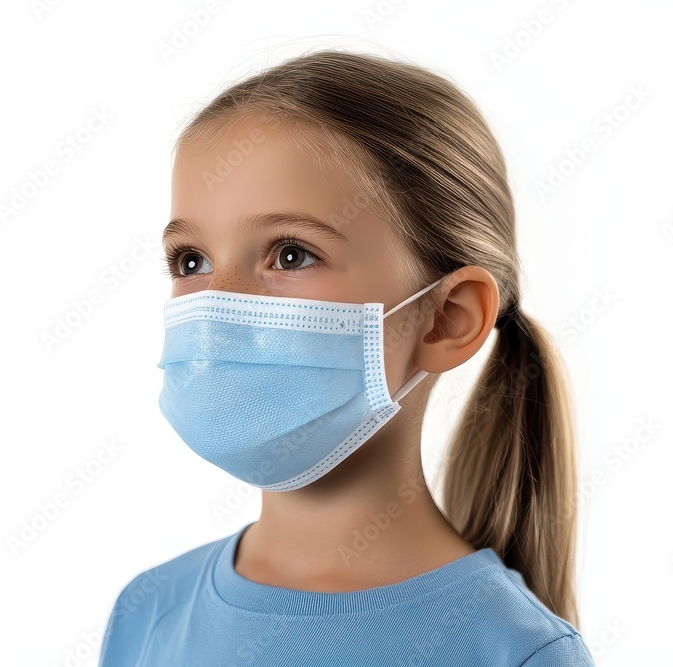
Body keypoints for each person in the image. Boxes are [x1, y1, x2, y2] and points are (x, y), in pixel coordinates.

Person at [98, 48, 595, 666]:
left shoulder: (513, 650)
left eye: (290, 254)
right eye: (191, 260)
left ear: (447, 317)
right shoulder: (147, 612)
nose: (216, 307)